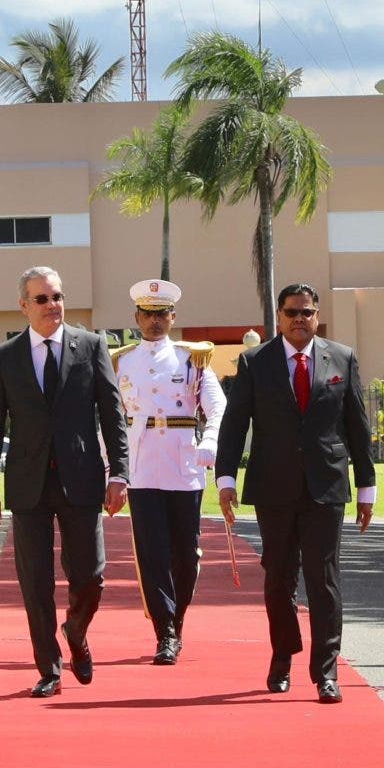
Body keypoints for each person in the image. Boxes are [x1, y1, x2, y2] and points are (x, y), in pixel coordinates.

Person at [216, 283, 377, 702]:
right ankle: (282, 656)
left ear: (317, 315)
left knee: (324, 580)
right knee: (278, 580)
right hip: (274, 487)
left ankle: (326, 672)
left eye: (306, 312)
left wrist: (367, 487)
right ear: (279, 316)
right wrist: (226, 479)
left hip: (326, 486)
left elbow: (358, 427)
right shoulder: (255, 362)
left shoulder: (341, 357)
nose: (299, 319)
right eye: (291, 312)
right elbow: (234, 425)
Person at [0, 265, 130, 698]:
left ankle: (76, 632)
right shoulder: (6, 357)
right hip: (28, 485)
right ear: (23, 305)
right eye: (42, 299)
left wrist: (119, 472)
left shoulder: (91, 346)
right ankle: (49, 667)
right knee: (35, 581)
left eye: (58, 297)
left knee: (90, 576)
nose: (52, 306)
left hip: (82, 480)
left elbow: (112, 414)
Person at [117, 279, 225, 664]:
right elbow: (109, 418)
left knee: (185, 553)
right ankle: (165, 630)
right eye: (148, 313)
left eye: (162, 313)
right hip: (142, 463)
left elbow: (216, 405)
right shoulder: (122, 361)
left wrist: (210, 440)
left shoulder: (191, 358)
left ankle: (177, 620)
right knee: (152, 552)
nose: (155, 321)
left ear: (172, 316)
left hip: (183, 463)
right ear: (137, 317)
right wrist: (110, 468)